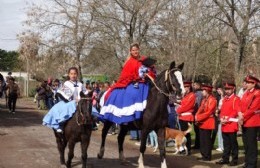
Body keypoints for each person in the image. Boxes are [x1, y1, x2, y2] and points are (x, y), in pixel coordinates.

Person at [99, 43, 156, 124]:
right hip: (136, 84)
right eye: (133, 50)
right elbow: (126, 76)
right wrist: (137, 77)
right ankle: (133, 116)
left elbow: (152, 71)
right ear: (130, 52)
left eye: (136, 50)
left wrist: (150, 70)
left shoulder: (144, 59)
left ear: (139, 50)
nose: (135, 51)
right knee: (134, 93)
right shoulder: (129, 62)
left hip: (146, 83)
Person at [42, 67, 87, 133]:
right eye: (71, 74)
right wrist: (72, 100)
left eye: (75, 74)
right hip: (69, 102)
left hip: (80, 102)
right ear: (69, 74)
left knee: (89, 109)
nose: (73, 75)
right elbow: (63, 95)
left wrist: (81, 99)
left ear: (77, 74)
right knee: (58, 109)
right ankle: (60, 125)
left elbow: (85, 93)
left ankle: (92, 125)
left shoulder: (80, 84)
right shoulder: (66, 83)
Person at [215, 82, 240, 166]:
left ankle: (234, 160)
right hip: (224, 124)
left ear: (233, 89)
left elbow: (235, 111)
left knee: (233, 144)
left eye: (229, 89)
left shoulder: (236, 99)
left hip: (231, 124)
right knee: (226, 144)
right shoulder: (225, 99)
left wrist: (227, 119)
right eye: (226, 89)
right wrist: (221, 118)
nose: (227, 90)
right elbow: (222, 110)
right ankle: (225, 158)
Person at [238, 75, 260, 168]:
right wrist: (239, 113)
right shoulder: (246, 93)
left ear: (254, 84)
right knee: (246, 143)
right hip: (244, 120)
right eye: (246, 83)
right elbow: (240, 103)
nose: (246, 84)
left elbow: (253, 108)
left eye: (248, 83)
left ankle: (252, 164)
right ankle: (247, 162)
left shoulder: (257, 93)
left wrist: (242, 116)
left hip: (252, 122)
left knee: (251, 144)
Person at [195, 84, 217, 161]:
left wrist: (198, 117)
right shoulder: (204, 100)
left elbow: (209, 112)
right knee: (202, 140)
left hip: (208, 122)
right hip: (202, 122)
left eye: (203, 91)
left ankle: (207, 156)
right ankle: (203, 154)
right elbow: (200, 108)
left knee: (207, 140)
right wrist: (197, 115)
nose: (202, 92)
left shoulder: (213, 100)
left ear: (207, 91)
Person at [176, 81, 196, 155]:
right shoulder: (185, 95)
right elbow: (183, 104)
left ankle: (188, 149)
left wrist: (178, 110)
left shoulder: (192, 95)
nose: (184, 89)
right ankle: (183, 149)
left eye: (186, 87)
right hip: (182, 116)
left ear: (189, 87)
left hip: (187, 117)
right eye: (184, 87)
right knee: (182, 134)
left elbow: (187, 106)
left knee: (186, 134)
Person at [192, 81, 203, 149]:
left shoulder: (199, 93)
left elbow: (198, 103)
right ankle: (197, 144)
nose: (194, 86)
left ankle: (198, 145)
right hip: (195, 113)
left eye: (195, 85)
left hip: (198, 113)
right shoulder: (195, 93)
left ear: (199, 86)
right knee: (196, 130)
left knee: (198, 130)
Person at [215, 87, 224, 152]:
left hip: (223, 117)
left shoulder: (223, 98)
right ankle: (220, 145)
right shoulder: (219, 98)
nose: (218, 91)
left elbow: (221, 107)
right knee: (219, 131)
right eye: (217, 90)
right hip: (219, 116)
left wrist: (218, 110)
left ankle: (222, 146)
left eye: (219, 90)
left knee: (221, 131)